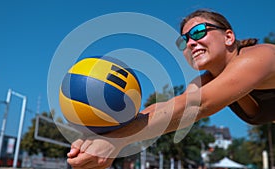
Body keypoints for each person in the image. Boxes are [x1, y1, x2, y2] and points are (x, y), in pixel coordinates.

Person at [67, 9, 275, 169]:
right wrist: (99, 137)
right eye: (184, 40)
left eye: (199, 32)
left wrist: (115, 140)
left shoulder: (259, 58)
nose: (191, 43)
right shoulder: (204, 82)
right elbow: (169, 110)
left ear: (228, 37)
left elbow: (198, 105)